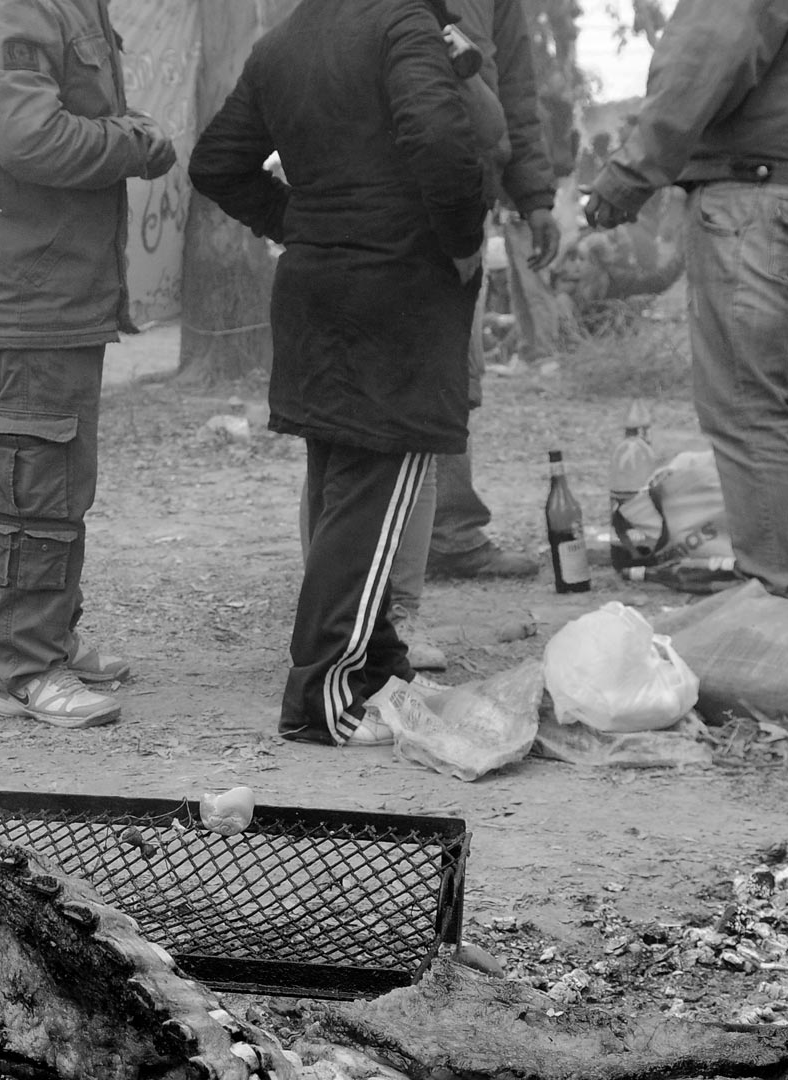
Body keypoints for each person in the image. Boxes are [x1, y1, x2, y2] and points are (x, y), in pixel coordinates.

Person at [190, 0, 485, 747]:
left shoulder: (284, 40)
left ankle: (378, 668)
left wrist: (302, 221)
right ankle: (323, 699)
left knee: (344, 498)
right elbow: (443, 143)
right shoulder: (401, 25)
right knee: (369, 504)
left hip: (317, 287)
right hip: (397, 289)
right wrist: (462, 244)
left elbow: (216, 161)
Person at [585, 0, 788, 612]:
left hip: (756, 191)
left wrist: (630, 174)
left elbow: (706, 54)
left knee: (750, 403)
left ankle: (779, 592)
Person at [0, 0, 175, 730]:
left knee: (57, 487)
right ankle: (20, 669)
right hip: (22, 304)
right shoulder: (20, 9)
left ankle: (48, 642)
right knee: (27, 491)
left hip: (53, 299)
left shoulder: (65, 7)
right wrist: (134, 142)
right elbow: (31, 138)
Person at [386, 0, 561, 671]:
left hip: (463, 206)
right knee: (373, 405)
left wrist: (534, 195)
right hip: (384, 204)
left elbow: (511, 92)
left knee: (452, 384)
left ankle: (449, 535)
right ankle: (356, 591)